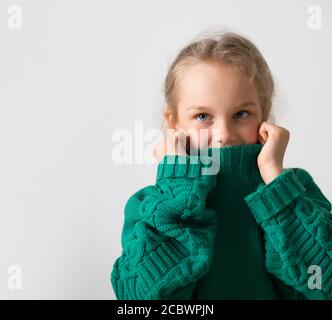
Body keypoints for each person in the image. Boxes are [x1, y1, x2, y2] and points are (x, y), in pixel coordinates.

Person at [110, 28, 332, 300]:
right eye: (203, 116)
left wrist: (276, 181)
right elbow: (138, 300)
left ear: (264, 115)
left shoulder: (293, 191)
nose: (224, 134)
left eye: (241, 114)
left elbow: (324, 283)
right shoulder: (151, 204)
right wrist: (176, 184)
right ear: (174, 123)